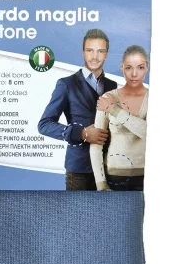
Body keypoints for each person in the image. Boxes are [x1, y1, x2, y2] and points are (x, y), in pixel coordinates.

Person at [38, 29, 118, 190]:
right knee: (77, 208)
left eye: (100, 51)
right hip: (80, 168)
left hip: (109, 166)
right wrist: (82, 134)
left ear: (106, 55)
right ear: (83, 52)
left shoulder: (112, 85)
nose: (94, 56)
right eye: (90, 50)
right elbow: (44, 125)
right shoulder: (66, 84)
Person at [90, 45, 149, 191]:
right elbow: (96, 144)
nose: (134, 74)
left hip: (147, 177)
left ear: (147, 68)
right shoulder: (108, 97)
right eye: (128, 68)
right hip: (114, 176)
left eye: (140, 67)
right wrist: (100, 183)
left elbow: (147, 133)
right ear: (122, 68)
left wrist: (114, 110)